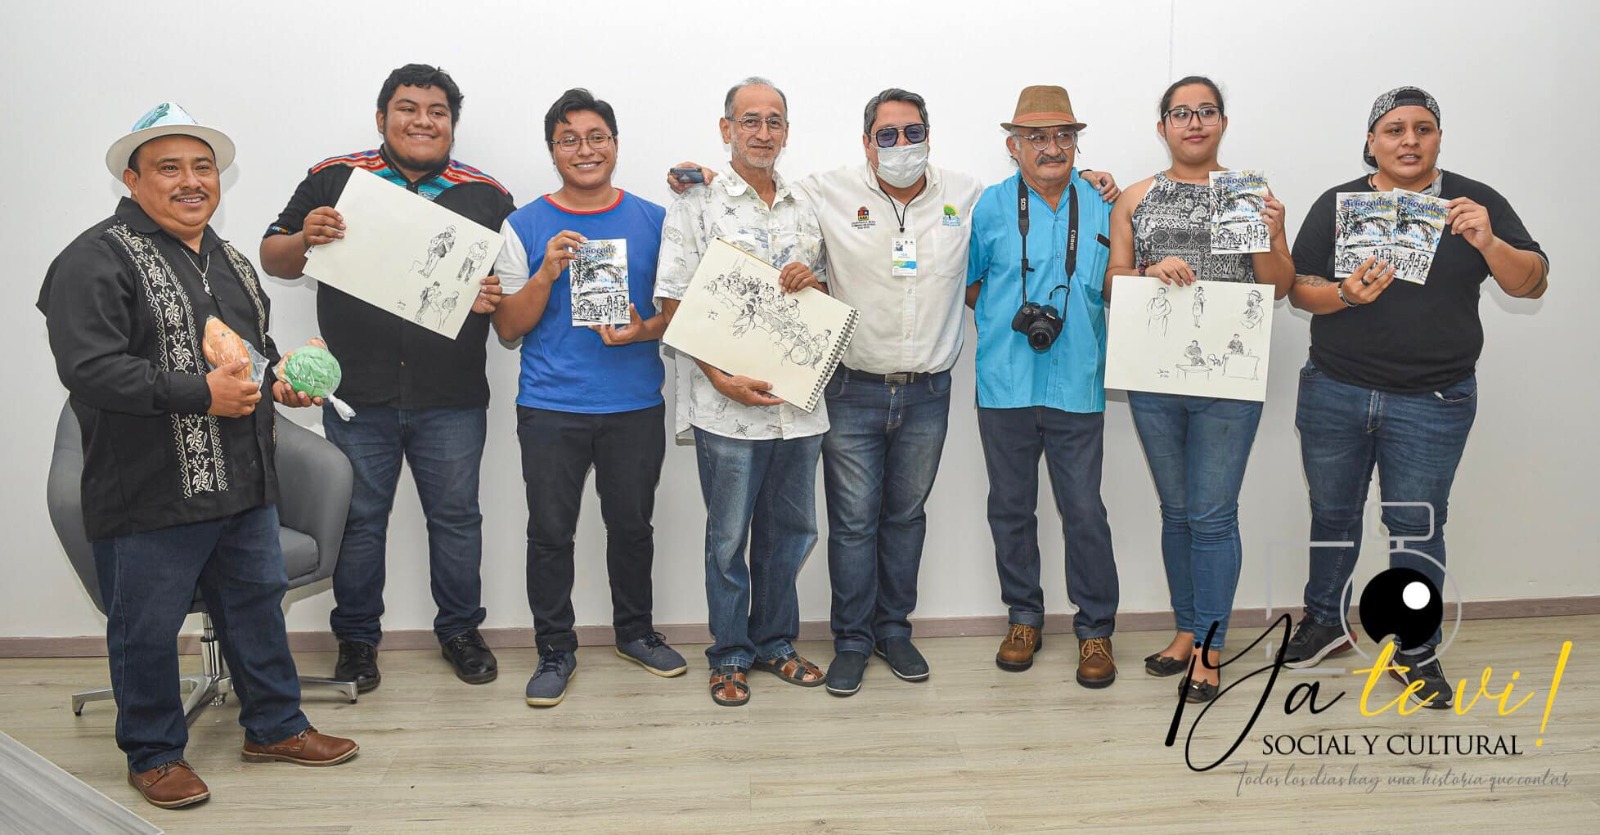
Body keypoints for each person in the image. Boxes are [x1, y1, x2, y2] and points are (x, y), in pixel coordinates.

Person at [665, 90, 1120, 697]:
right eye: (887, 134)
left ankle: (894, 631)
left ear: (929, 136)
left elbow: (986, 268)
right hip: (852, 389)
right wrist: (703, 177)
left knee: (906, 519)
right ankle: (852, 640)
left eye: (913, 133)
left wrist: (1094, 179)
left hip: (928, 392)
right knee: (853, 525)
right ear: (866, 142)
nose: (901, 144)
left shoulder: (968, 195)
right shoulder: (825, 192)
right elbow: (759, 183)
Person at [39, 103, 358, 810]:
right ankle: (153, 754)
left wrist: (281, 380)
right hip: (151, 486)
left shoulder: (230, 259)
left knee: (256, 606)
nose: (191, 181)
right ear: (132, 180)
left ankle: (274, 726)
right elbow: (89, 369)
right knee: (147, 627)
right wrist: (199, 393)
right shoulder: (95, 257)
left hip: (243, 477)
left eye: (203, 167)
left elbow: (249, 357)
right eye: (169, 168)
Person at [1283, 86, 1549, 709]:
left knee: (1416, 528)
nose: (1409, 140)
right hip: (1335, 389)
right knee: (1332, 513)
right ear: (1371, 141)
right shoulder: (1338, 203)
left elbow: (1533, 284)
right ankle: (1326, 621)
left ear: (1438, 139)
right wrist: (1344, 294)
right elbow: (1297, 287)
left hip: (1434, 399)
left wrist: (1488, 242)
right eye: (1394, 129)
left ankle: (1415, 647)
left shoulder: (1475, 203)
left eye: (1422, 129)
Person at [260, 64, 515, 691]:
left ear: (452, 124)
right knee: (359, 520)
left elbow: (510, 294)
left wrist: (494, 295)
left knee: (456, 519)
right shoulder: (335, 178)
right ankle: (356, 639)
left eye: (437, 112)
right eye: (408, 108)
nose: (422, 121)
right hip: (356, 395)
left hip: (452, 395)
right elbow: (273, 255)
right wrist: (305, 238)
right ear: (382, 118)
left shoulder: (487, 195)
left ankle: (460, 630)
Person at [492, 88, 686, 708]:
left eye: (596, 136)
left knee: (632, 528)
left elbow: (679, 315)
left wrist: (642, 329)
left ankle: (635, 633)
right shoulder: (523, 225)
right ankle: (555, 648)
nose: (585, 149)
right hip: (551, 407)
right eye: (569, 139)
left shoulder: (656, 220)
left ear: (615, 145)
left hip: (634, 405)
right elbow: (507, 328)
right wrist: (546, 272)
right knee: (550, 533)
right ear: (553, 151)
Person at [1103, 76, 1294, 703]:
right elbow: (1111, 284)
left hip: (1228, 381)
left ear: (1222, 123)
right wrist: (1146, 270)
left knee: (1212, 517)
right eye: (1181, 113)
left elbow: (1279, 287)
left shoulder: (1250, 196)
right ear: (1162, 126)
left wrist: (1270, 233)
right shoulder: (1136, 198)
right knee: (1177, 512)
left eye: (1206, 111)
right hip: (1155, 379)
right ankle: (1186, 631)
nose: (1194, 123)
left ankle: (1211, 647)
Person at [654, 77, 830, 707]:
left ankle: (775, 643)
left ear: (787, 132)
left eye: (774, 121)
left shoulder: (806, 205)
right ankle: (729, 653)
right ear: (726, 128)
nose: (762, 132)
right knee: (728, 540)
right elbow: (672, 301)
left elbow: (825, 299)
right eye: (749, 120)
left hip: (797, 407)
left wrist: (814, 282)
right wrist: (716, 376)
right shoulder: (696, 204)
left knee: (791, 534)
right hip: (724, 407)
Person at [966, 85, 1121, 688]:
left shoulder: (1106, 203)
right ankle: (1023, 618)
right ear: (1014, 146)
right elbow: (971, 286)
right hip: (1004, 383)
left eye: (1063, 135)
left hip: (1078, 382)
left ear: (1076, 143)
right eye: (1036, 137)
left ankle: (1096, 630)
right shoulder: (989, 206)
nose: (1052, 147)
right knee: (1010, 509)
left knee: (1084, 510)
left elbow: (1119, 284)